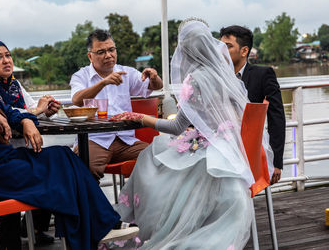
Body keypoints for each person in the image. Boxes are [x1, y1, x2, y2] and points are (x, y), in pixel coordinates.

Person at [0, 40, 139, 250]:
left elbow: (12, 113)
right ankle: (100, 227)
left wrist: (25, 121)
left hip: (3, 165)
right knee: (64, 169)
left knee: (66, 158)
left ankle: (101, 225)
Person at [104, 18, 275, 249]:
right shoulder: (226, 75)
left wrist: (140, 118)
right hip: (235, 152)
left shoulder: (195, 79)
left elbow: (176, 127)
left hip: (209, 151)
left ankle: (146, 225)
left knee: (150, 157)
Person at [0, 39, 58, 246]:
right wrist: (37, 111)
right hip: (2, 155)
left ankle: (32, 227)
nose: (6, 61)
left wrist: (47, 112)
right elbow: (13, 116)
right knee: (53, 169)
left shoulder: (15, 85)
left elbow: (33, 111)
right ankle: (16, 235)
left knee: (52, 167)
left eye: (8, 55)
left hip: (19, 150)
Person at [69, 29, 163, 180]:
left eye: (111, 50)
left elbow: (156, 86)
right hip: (95, 140)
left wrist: (154, 77)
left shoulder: (126, 72)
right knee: (85, 167)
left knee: (157, 159)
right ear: (90, 56)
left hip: (125, 140)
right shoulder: (81, 76)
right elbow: (76, 100)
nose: (108, 55)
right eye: (101, 52)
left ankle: (138, 201)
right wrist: (103, 83)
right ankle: (95, 204)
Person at [220, 25, 286, 184]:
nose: (221, 51)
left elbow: (276, 117)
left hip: (250, 150)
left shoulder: (263, 75)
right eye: (220, 46)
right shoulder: (216, 77)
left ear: (244, 51)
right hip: (220, 145)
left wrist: (276, 161)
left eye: (228, 47)